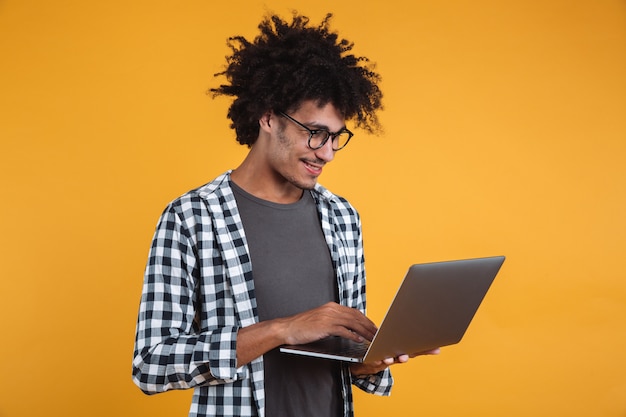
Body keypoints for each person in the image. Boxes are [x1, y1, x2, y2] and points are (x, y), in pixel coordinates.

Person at [132, 12, 437, 417]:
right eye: (315, 132)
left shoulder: (342, 217)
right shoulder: (192, 217)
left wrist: (374, 359)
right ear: (269, 116)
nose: (326, 152)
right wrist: (283, 329)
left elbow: (344, 362)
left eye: (335, 137)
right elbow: (151, 364)